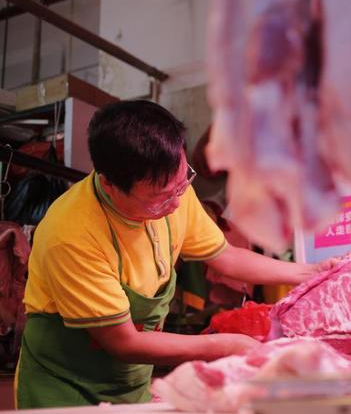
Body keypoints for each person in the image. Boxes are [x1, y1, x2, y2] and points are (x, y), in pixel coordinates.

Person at [15, 100, 329, 408]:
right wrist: (225, 345)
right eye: (160, 198)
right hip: (66, 389)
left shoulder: (172, 189)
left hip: (128, 385)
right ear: (109, 183)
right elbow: (124, 342)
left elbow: (226, 257)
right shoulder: (70, 235)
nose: (176, 204)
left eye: (182, 184)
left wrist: (311, 273)